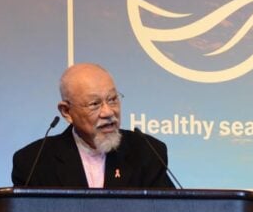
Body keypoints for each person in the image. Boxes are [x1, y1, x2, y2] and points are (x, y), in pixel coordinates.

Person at [12, 63, 175, 188]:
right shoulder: (33, 162)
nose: (108, 112)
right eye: (95, 104)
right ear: (67, 111)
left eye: (112, 99)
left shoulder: (146, 152)